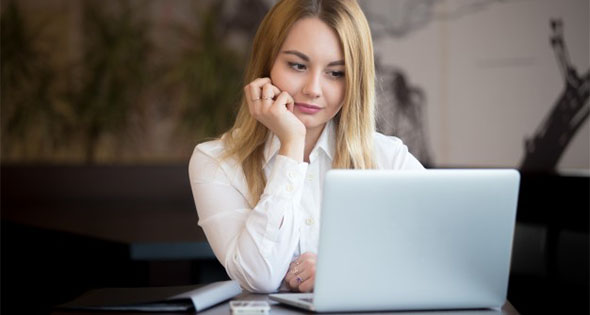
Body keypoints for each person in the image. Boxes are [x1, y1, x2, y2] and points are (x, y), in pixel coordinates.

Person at [188, 0, 424, 294]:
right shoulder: (216, 162)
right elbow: (259, 276)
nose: (313, 88)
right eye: (297, 66)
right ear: (266, 65)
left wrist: (341, 271)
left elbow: (438, 258)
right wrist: (292, 144)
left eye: (336, 73)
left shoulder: (390, 159)